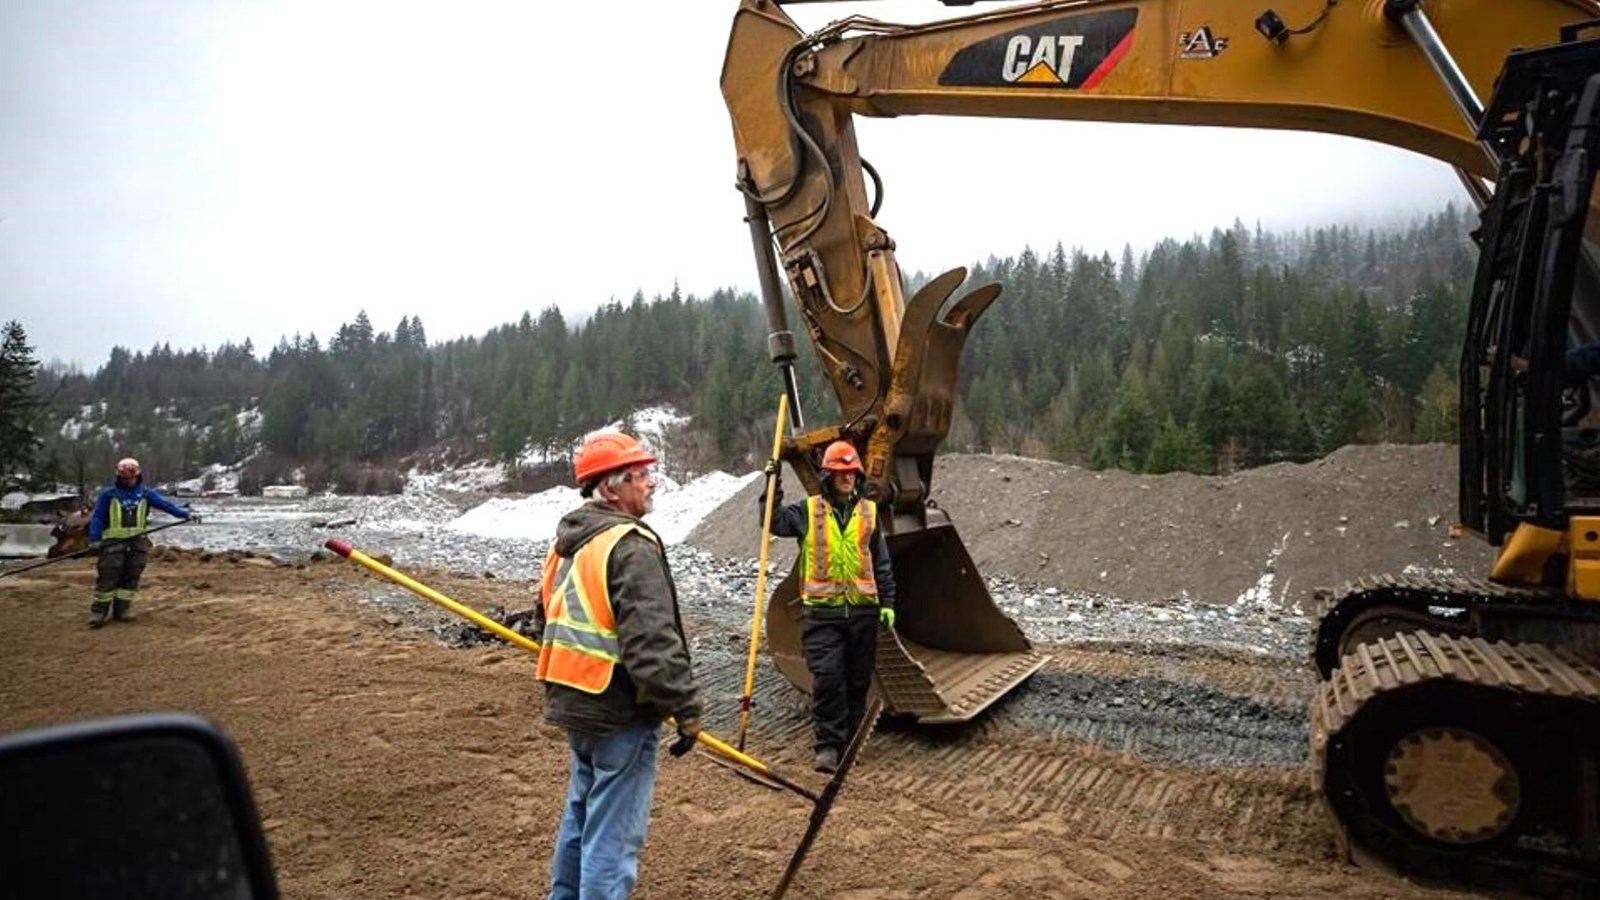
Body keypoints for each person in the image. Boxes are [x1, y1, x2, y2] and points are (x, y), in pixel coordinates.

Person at [533, 430, 702, 900]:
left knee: (582, 815)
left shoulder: (570, 541)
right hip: (619, 710)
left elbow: (545, 613)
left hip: (575, 702)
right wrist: (685, 708)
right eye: (640, 475)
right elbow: (652, 644)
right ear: (610, 488)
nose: (651, 483)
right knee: (613, 835)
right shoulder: (629, 545)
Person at [762, 439, 896, 774]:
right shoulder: (807, 512)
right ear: (828, 476)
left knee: (856, 681)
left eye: (852, 472)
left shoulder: (869, 512)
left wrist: (888, 602)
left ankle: (850, 738)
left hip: (863, 612)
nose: (847, 478)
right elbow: (772, 521)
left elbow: (880, 562)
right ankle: (827, 745)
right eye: (840, 473)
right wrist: (772, 485)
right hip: (822, 615)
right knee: (827, 678)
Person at [86, 457, 196, 629]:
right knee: (108, 576)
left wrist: (185, 514)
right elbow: (98, 517)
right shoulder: (108, 495)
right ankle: (99, 611)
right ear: (119, 478)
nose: (129, 481)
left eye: (131, 478)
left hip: (137, 542)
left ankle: (122, 609)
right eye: (125, 478)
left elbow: (166, 505)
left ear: (138, 476)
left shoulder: (145, 494)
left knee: (132, 576)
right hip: (113, 543)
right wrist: (94, 539)